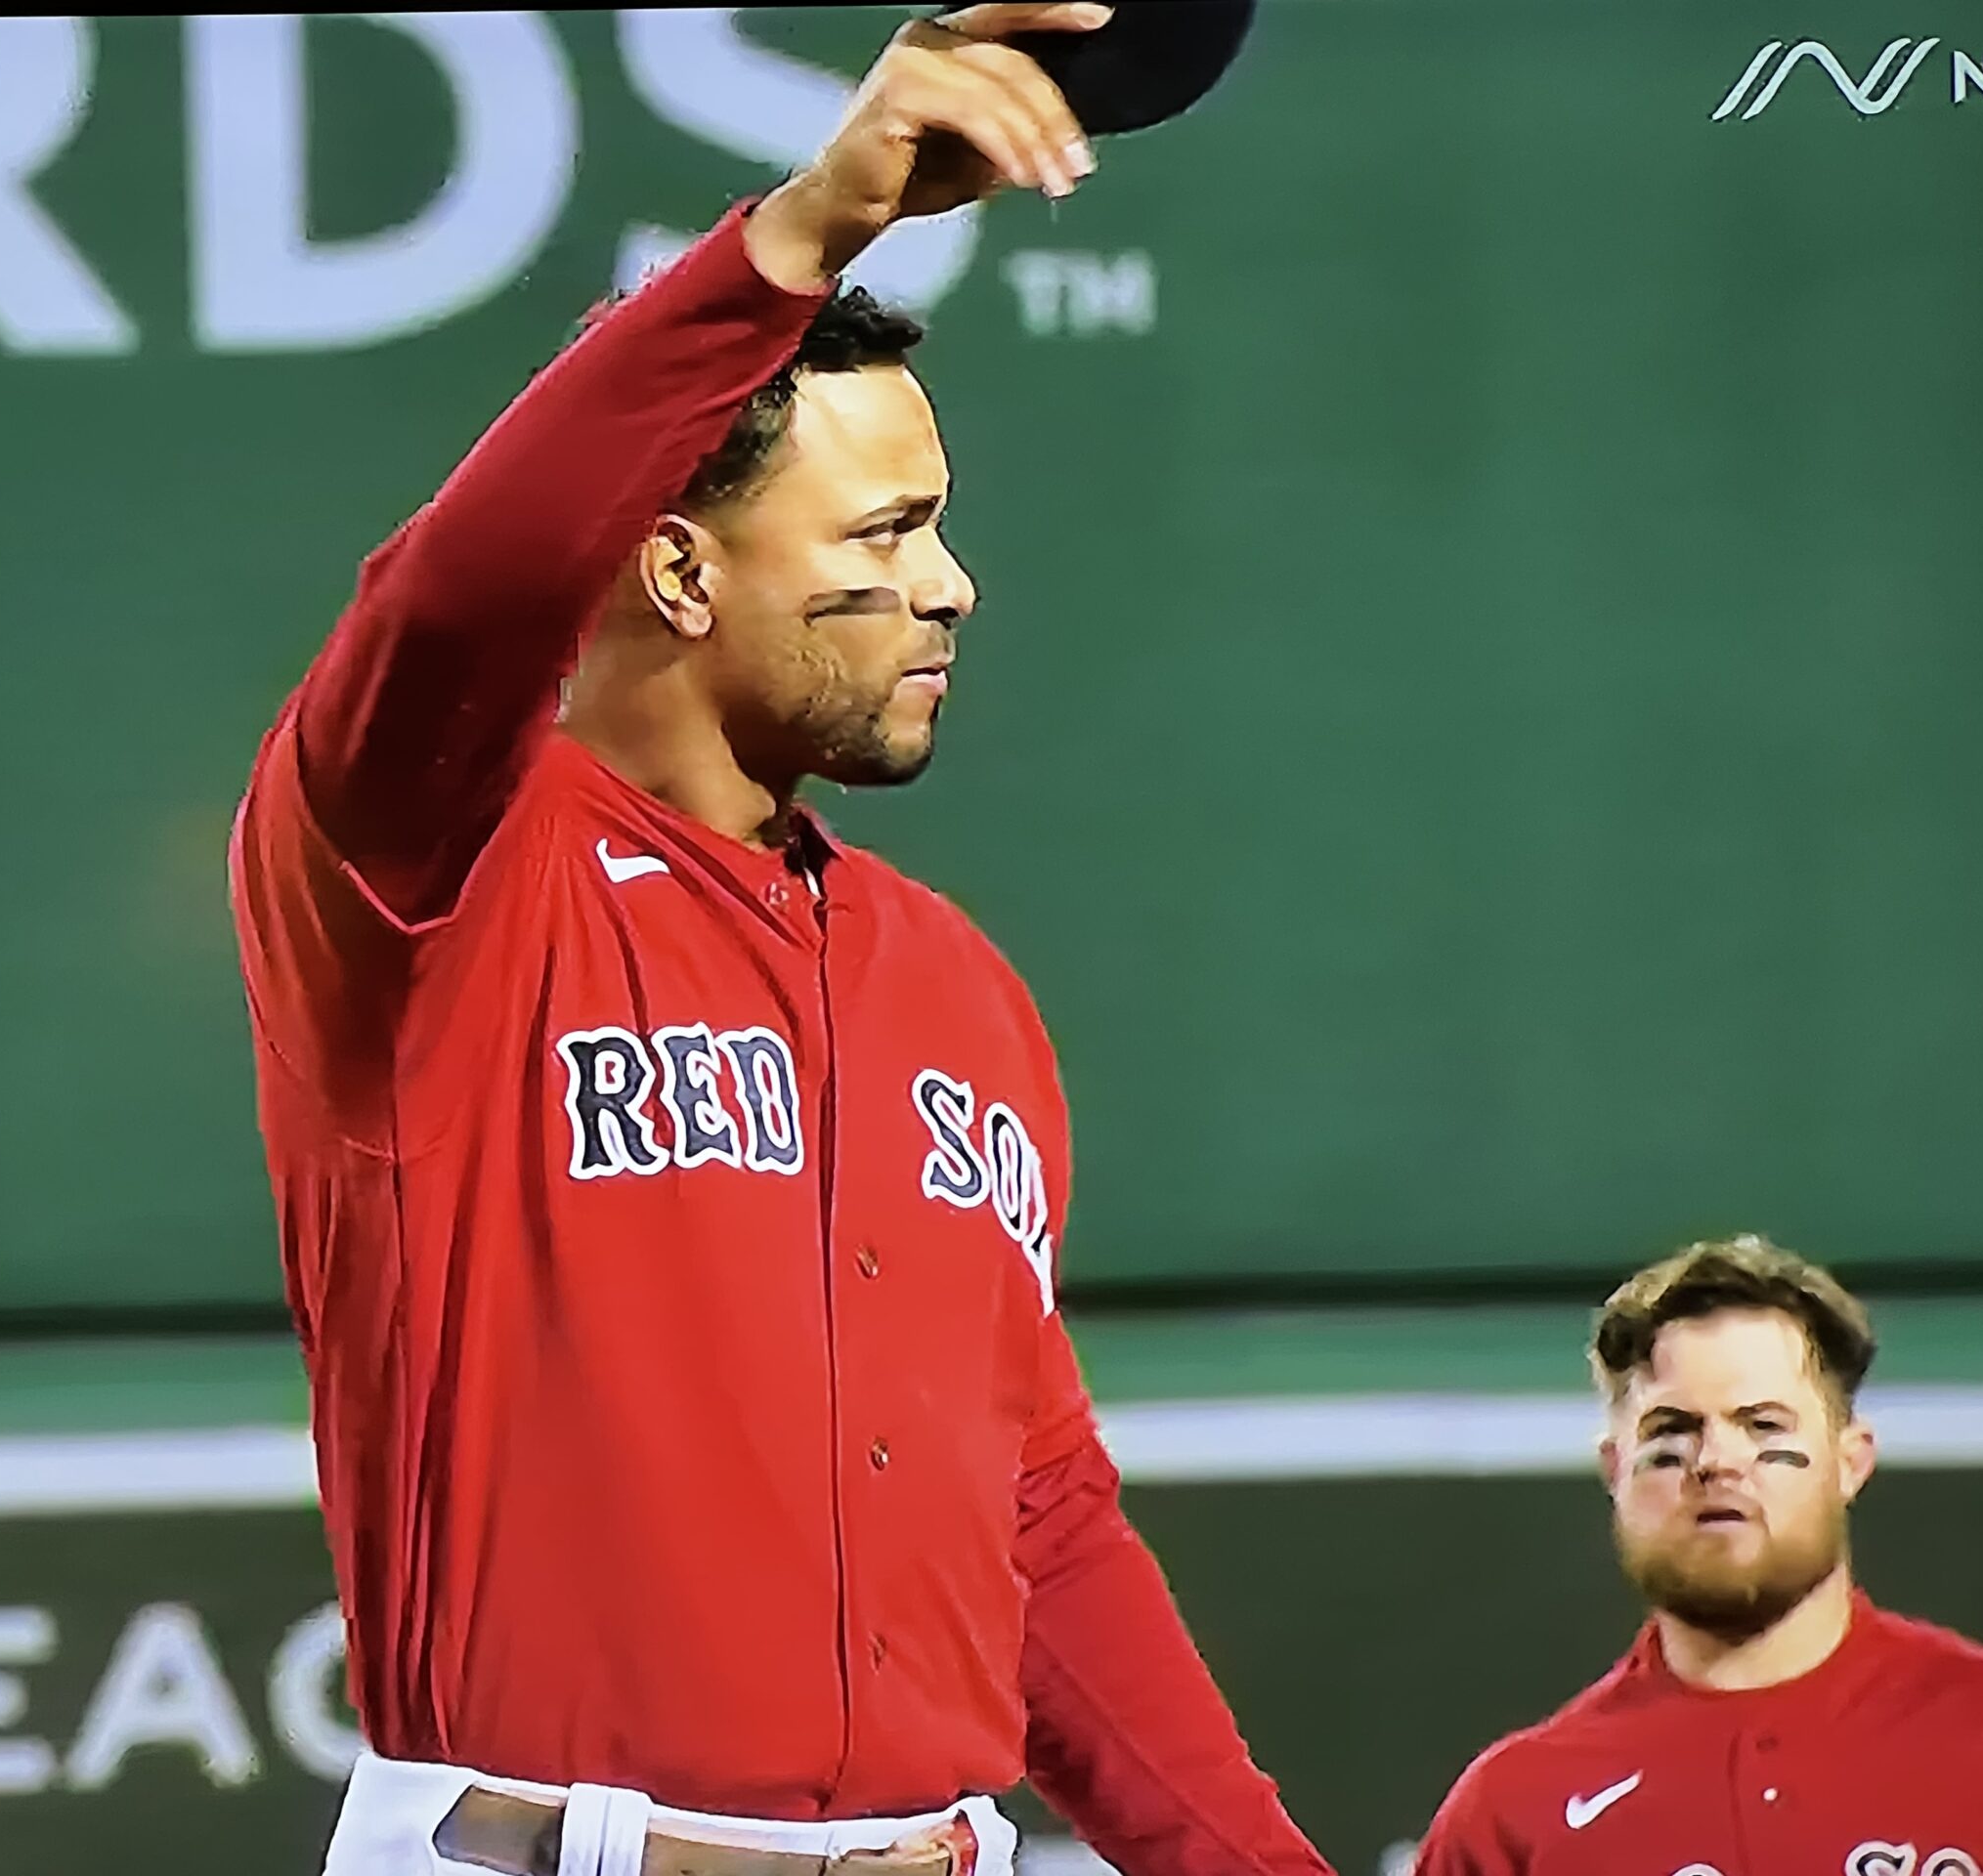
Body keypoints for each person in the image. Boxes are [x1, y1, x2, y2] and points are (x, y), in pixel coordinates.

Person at [228, 6, 1329, 1874]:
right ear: (675, 568)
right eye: (886, 530)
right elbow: (459, 595)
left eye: (942, 526)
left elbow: (1036, 1518)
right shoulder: (431, 879)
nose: (948, 584)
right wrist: (805, 232)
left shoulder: (956, 988)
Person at [1409, 1234, 1983, 1874]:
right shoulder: (1514, 1812)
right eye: (1673, 1430)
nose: (1716, 1461)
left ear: (1851, 1462)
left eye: (1763, 1424)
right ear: (1615, 1468)